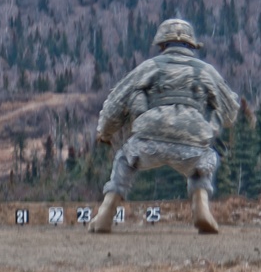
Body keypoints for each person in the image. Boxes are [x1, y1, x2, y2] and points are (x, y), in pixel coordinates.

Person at [88, 18, 240, 234]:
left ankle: (106, 212)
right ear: (192, 46)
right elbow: (230, 110)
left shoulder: (149, 67)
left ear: (161, 45)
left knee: (125, 161)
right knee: (203, 164)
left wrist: (105, 132)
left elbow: (116, 103)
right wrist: (211, 124)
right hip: (193, 144)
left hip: (149, 138)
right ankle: (201, 206)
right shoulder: (206, 71)